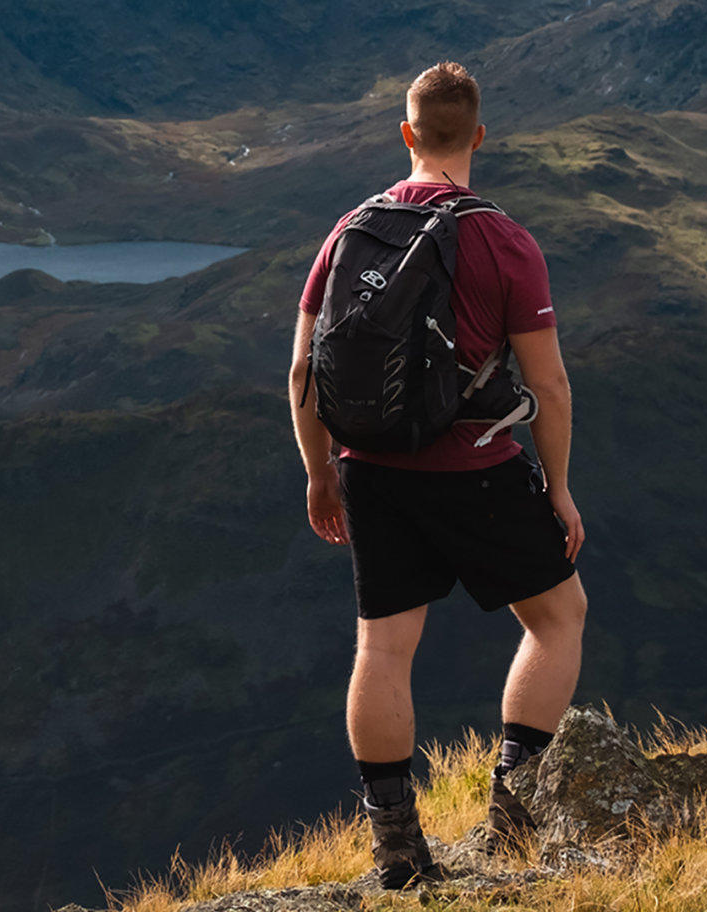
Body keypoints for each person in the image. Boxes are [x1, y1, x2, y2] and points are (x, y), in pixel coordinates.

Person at [288, 61, 588, 888]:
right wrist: (557, 486)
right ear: (480, 137)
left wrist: (320, 473)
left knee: (382, 648)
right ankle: (513, 815)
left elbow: (302, 373)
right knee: (559, 616)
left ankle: (396, 851)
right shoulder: (503, 239)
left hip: (369, 471)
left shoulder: (351, 228)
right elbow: (550, 384)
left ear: (407, 134)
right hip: (474, 469)